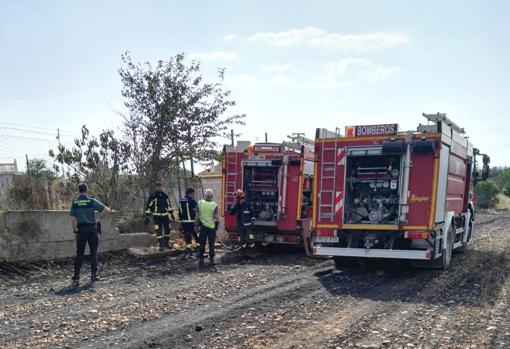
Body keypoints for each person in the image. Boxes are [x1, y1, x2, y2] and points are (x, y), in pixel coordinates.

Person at [70, 183, 110, 286]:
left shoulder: (75, 202)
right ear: (87, 190)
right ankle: (93, 276)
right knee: (93, 252)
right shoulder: (91, 201)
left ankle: (76, 277)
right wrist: (98, 219)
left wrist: (75, 230)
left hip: (82, 230)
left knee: (79, 253)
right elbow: (106, 209)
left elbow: (73, 219)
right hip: (92, 229)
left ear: (78, 191)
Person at [145, 182, 174, 251]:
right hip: (156, 217)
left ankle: (166, 243)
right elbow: (148, 206)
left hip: (165, 216)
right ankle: (161, 245)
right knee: (159, 231)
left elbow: (169, 205)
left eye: (160, 187)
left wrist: (171, 214)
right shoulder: (153, 196)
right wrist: (147, 216)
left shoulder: (165, 196)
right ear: (156, 188)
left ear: (162, 187)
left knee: (168, 230)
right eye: (158, 187)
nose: (159, 188)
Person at [195, 188, 220, 268]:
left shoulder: (200, 203)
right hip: (211, 228)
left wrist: (195, 225)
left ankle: (201, 260)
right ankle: (211, 260)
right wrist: (216, 226)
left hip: (202, 226)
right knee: (211, 244)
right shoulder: (214, 205)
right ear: (212, 196)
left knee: (202, 243)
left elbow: (197, 215)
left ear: (205, 195)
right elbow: (216, 217)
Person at [228, 189, 253, 256]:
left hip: (247, 226)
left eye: (236, 197)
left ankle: (250, 252)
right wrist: (232, 207)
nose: (235, 199)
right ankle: (243, 253)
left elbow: (252, 215)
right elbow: (231, 213)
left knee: (249, 240)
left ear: (239, 198)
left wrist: (252, 224)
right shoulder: (237, 206)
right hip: (241, 227)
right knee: (242, 240)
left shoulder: (248, 205)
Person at [179, 188, 199, 257]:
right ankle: (199, 248)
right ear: (190, 193)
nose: (194, 195)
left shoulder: (181, 201)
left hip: (184, 222)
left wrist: (180, 221)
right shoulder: (193, 202)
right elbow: (196, 212)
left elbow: (180, 211)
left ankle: (189, 250)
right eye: (193, 193)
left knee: (187, 236)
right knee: (196, 235)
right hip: (192, 222)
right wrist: (197, 221)